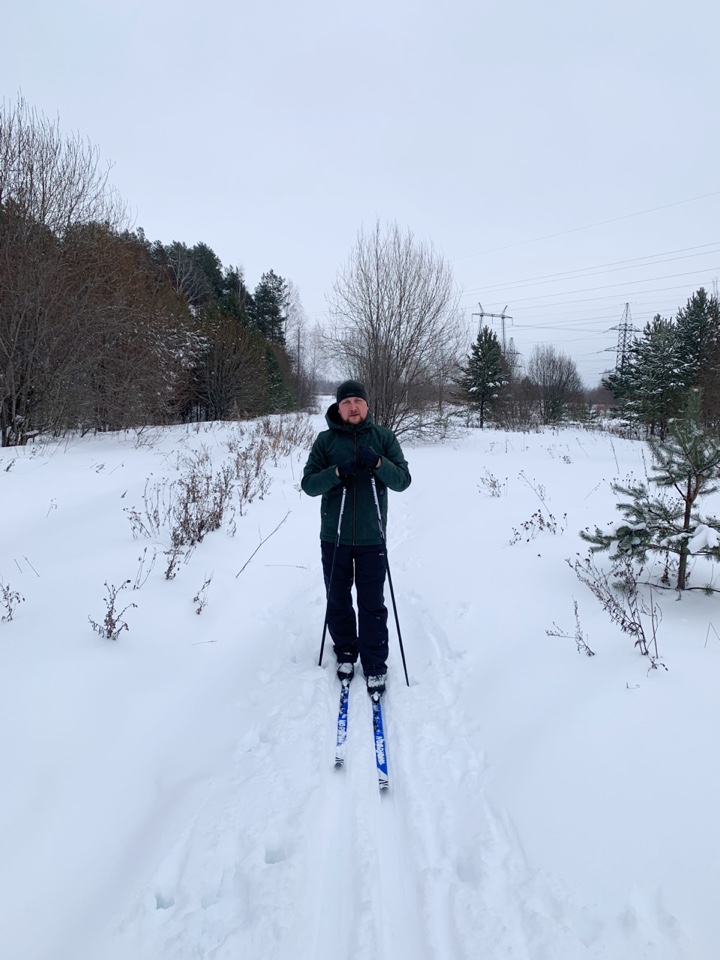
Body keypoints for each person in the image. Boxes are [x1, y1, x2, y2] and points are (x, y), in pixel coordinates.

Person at [301, 379, 411, 696]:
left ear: (366, 406)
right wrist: (336, 472)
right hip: (333, 536)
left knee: (372, 603)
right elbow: (309, 485)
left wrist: (377, 462)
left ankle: (375, 663)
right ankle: (347, 653)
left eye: (357, 402)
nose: (352, 407)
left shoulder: (383, 438)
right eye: (346, 402)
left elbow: (403, 480)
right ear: (338, 407)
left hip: (371, 538)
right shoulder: (325, 441)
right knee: (337, 600)